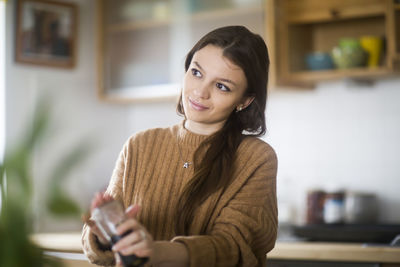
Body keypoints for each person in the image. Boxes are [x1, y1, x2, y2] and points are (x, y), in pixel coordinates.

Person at [82, 25, 278, 267]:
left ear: (245, 101)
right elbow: (101, 247)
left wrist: (157, 252)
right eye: (196, 73)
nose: (200, 92)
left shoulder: (256, 158)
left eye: (222, 86)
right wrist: (107, 235)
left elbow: (234, 247)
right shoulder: (139, 145)